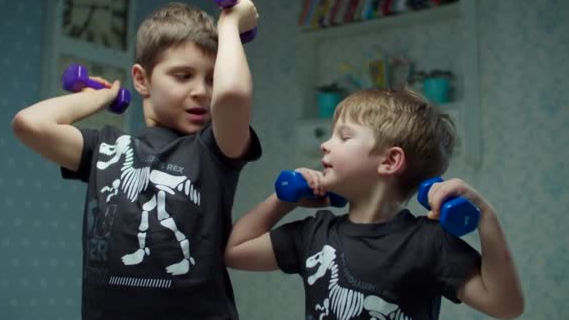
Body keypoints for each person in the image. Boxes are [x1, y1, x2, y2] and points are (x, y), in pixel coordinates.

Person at [12, 0, 261, 320]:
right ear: (142, 79)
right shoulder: (105, 149)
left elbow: (232, 95)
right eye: (183, 76)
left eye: (211, 78)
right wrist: (100, 97)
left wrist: (228, 23)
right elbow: (29, 124)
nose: (202, 90)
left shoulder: (215, 149)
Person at [224, 88, 524, 319]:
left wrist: (486, 217)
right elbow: (234, 252)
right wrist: (283, 201)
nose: (325, 144)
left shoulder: (428, 243)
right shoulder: (314, 233)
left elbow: (505, 306)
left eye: (344, 136)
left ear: (390, 160)